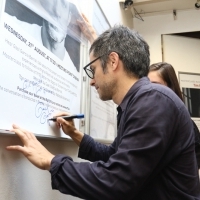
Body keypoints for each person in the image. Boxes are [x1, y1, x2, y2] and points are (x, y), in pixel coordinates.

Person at [6, 25, 200, 200]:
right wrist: (75, 134)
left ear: (113, 61)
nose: (91, 81)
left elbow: (117, 181)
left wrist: (50, 160)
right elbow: (113, 155)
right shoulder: (137, 103)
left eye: (93, 69)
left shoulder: (153, 100)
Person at [148, 62, 200, 169]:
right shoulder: (148, 120)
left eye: (155, 85)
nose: (149, 90)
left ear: (170, 88)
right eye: (147, 85)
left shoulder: (184, 123)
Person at [5, 0, 77, 72]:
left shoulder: (72, 73)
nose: (57, 11)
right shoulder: (11, 28)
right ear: (42, 5)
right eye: (53, 1)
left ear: (69, 18)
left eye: (63, 4)